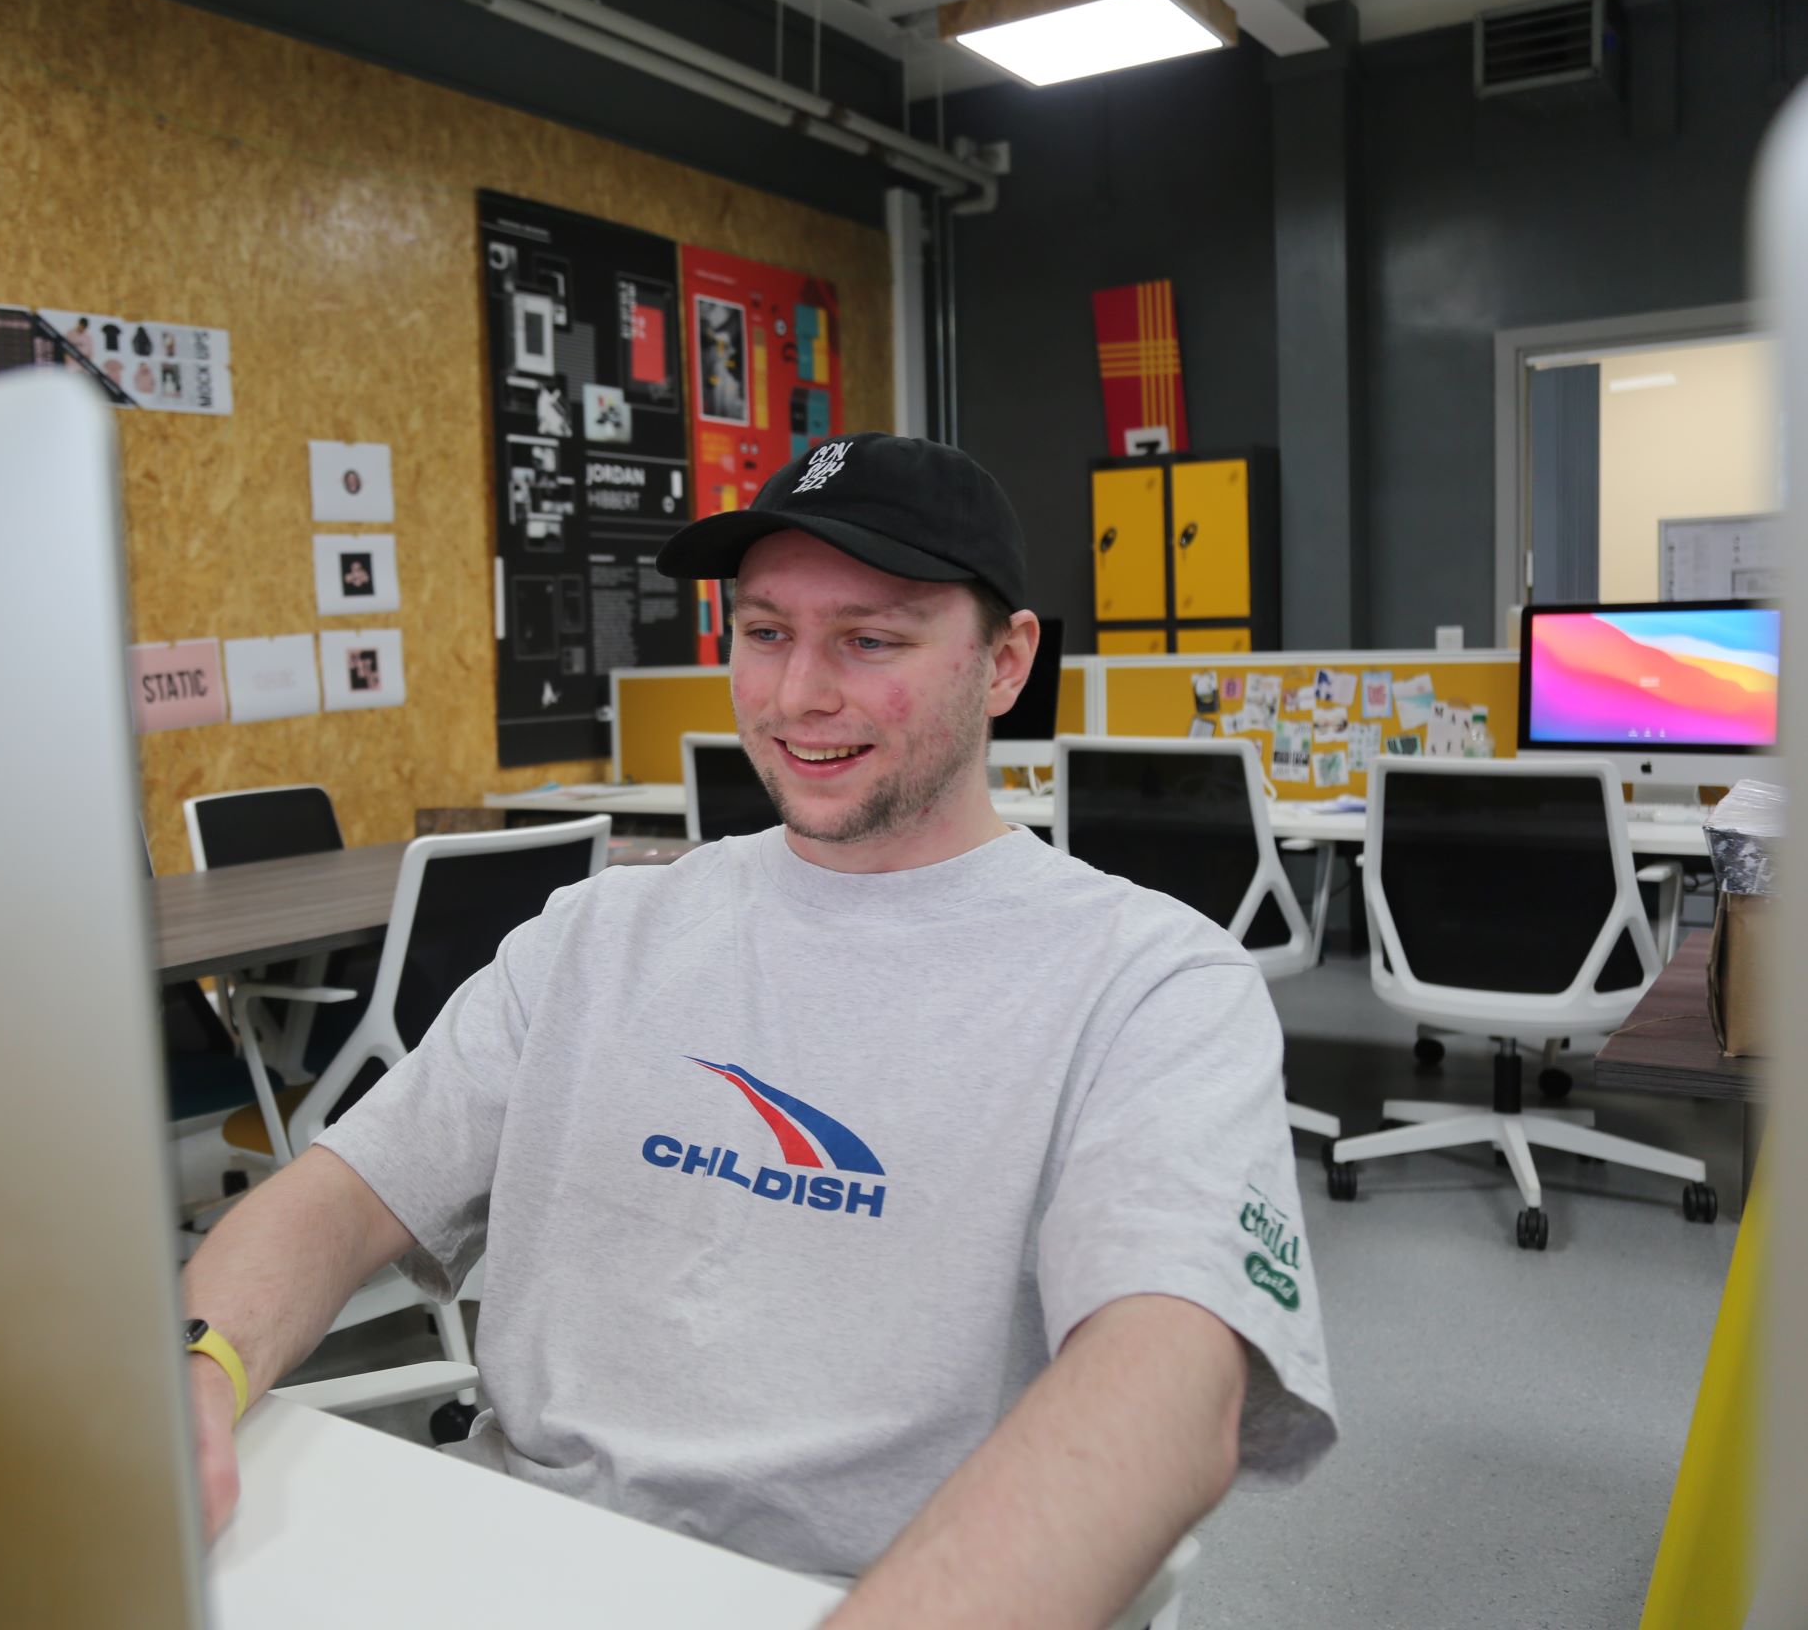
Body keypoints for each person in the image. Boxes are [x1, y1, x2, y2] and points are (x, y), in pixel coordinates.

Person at [179, 433, 1336, 1623]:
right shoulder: (597, 933)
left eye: (871, 639)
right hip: (514, 1551)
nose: (797, 696)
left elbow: (1171, 1387)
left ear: (1005, 662)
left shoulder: (1150, 983)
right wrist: (200, 1372)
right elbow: (339, 1194)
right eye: (765, 631)